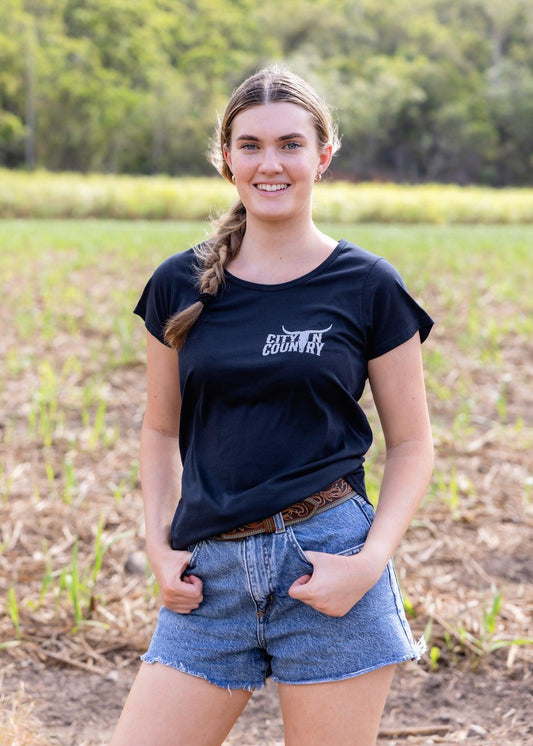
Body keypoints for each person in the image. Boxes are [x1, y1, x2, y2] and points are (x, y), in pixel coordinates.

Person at [110, 66, 434, 746]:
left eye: (289, 144)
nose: (270, 163)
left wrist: (370, 560)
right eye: (250, 145)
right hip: (209, 578)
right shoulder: (178, 283)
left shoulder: (367, 285)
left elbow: (411, 444)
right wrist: (158, 544)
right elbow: (158, 428)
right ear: (226, 158)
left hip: (328, 566)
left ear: (322, 156)